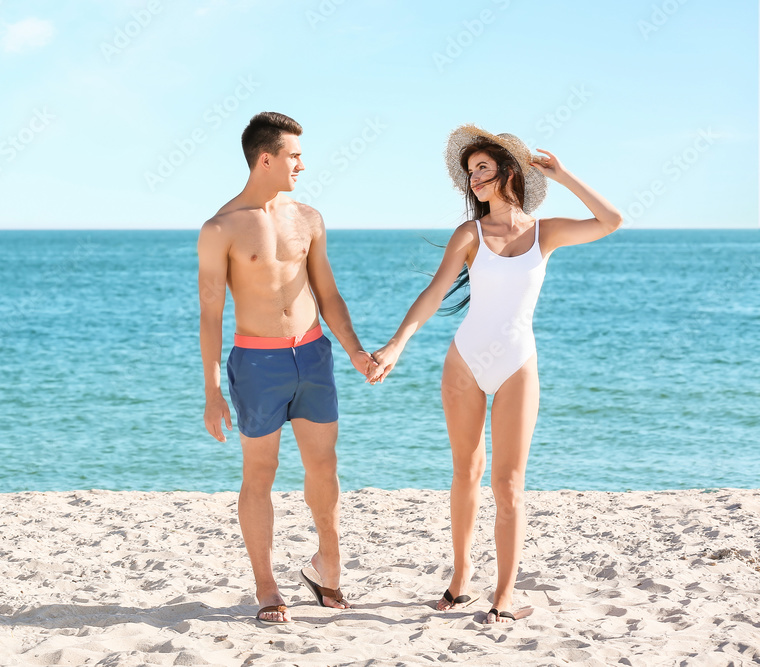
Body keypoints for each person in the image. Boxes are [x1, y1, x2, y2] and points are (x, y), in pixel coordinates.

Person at [368, 124, 622, 623]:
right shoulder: (470, 234)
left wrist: (563, 174)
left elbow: (611, 220)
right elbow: (436, 292)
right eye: (470, 173)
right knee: (466, 472)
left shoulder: (544, 232)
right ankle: (459, 580)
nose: (475, 179)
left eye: (482, 168)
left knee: (509, 485)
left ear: (509, 171)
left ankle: (503, 596)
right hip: (465, 362)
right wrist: (397, 343)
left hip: (516, 366)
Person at [197, 111, 376, 624]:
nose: (303, 163)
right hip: (257, 362)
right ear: (266, 158)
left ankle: (326, 567)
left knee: (324, 467)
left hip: (314, 354)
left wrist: (356, 351)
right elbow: (211, 313)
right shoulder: (220, 227)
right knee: (261, 472)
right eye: (294, 155)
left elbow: (328, 294)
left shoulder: (309, 219)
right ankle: (267, 585)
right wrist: (213, 391)